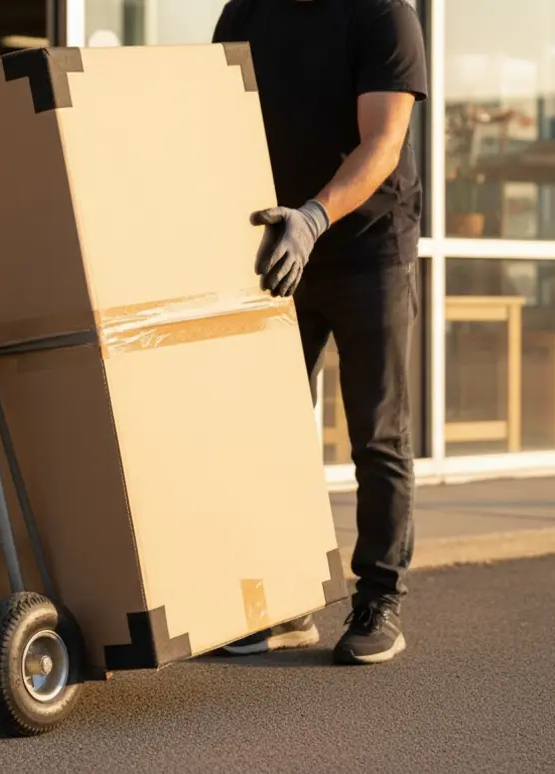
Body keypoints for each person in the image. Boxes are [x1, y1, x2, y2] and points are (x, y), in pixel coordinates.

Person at [211, 0, 428, 665]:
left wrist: (313, 217)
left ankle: (380, 597)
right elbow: (214, 122)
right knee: (271, 433)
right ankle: (287, 601)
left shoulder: (382, 15)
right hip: (278, 249)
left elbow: (382, 142)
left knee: (377, 433)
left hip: (369, 250)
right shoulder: (246, 14)